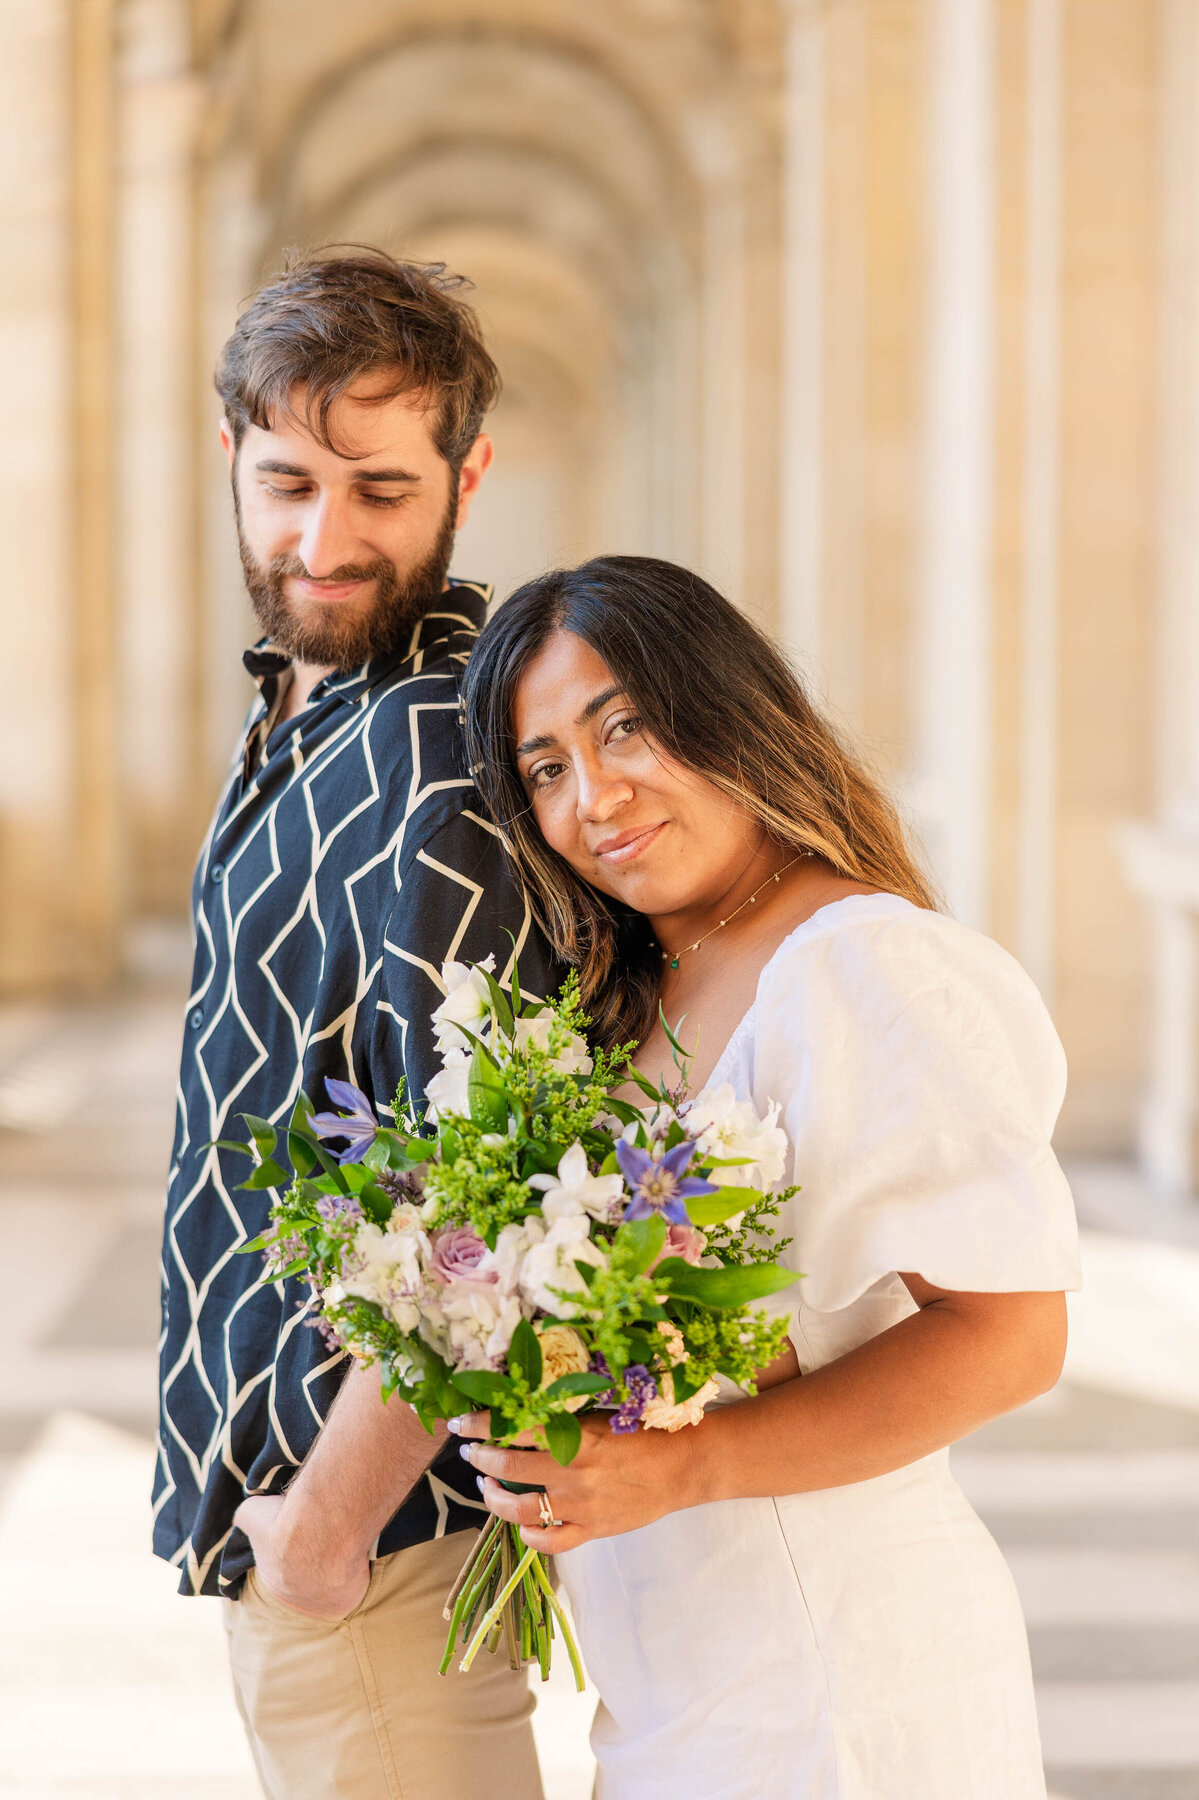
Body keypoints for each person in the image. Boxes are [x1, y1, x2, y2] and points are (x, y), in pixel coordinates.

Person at [454, 555, 1082, 1799]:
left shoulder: (860, 969)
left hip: (837, 1685)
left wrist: (686, 1463)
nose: (595, 795)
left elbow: (1014, 1338)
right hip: (680, 1690)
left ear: (724, 706)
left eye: (622, 724)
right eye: (546, 769)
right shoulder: (626, 1004)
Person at [154, 249, 556, 1800]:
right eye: (289, 482)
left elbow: (493, 1191)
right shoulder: (311, 712)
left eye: (383, 490)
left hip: (368, 1557)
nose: (326, 540)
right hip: (303, 1538)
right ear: (235, 463)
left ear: (469, 473)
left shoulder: (434, 765)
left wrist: (323, 1528)